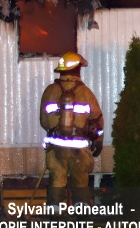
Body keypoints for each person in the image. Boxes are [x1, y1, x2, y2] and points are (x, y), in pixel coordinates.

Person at [39, 52, 103, 207]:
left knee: (57, 180)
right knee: (80, 181)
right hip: (79, 149)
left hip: (56, 147)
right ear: (77, 69)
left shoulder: (50, 91)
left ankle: (54, 213)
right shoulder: (86, 92)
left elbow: (43, 121)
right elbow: (97, 119)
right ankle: (81, 214)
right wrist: (98, 141)